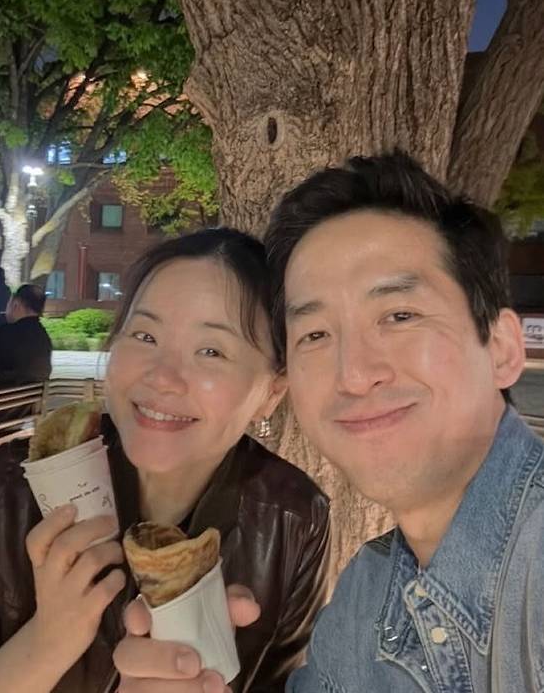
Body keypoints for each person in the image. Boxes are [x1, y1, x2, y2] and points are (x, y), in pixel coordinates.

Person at [112, 152, 542, 693]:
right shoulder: (363, 599)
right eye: (315, 334)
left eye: (399, 316)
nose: (354, 375)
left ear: (502, 348)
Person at [0, 228, 330, 693]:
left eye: (211, 351)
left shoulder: (294, 518)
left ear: (272, 392)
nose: (162, 377)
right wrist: (48, 643)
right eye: (144, 335)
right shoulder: (17, 486)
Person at [0, 283, 52, 388]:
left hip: (5, 395)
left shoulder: (5, 335)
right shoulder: (43, 337)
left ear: (15, 304)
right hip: (34, 396)